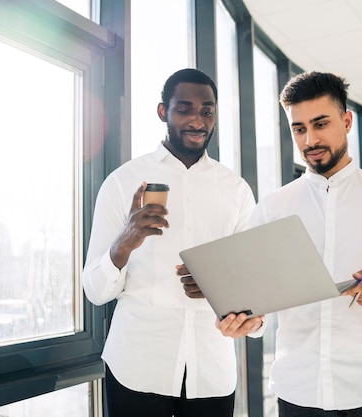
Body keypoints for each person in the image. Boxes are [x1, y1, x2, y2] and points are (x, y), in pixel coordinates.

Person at [219, 71, 362, 416]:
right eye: (299, 128)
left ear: (346, 121)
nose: (310, 139)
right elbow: (258, 304)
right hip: (298, 396)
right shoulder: (271, 208)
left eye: (321, 123)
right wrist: (247, 322)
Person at [82, 68, 262, 417]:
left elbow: (254, 283)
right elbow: (95, 291)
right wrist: (125, 242)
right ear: (164, 111)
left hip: (211, 371)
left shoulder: (236, 190)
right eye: (185, 109)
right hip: (136, 367)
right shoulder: (122, 183)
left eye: (207, 111)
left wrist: (217, 286)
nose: (197, 120)